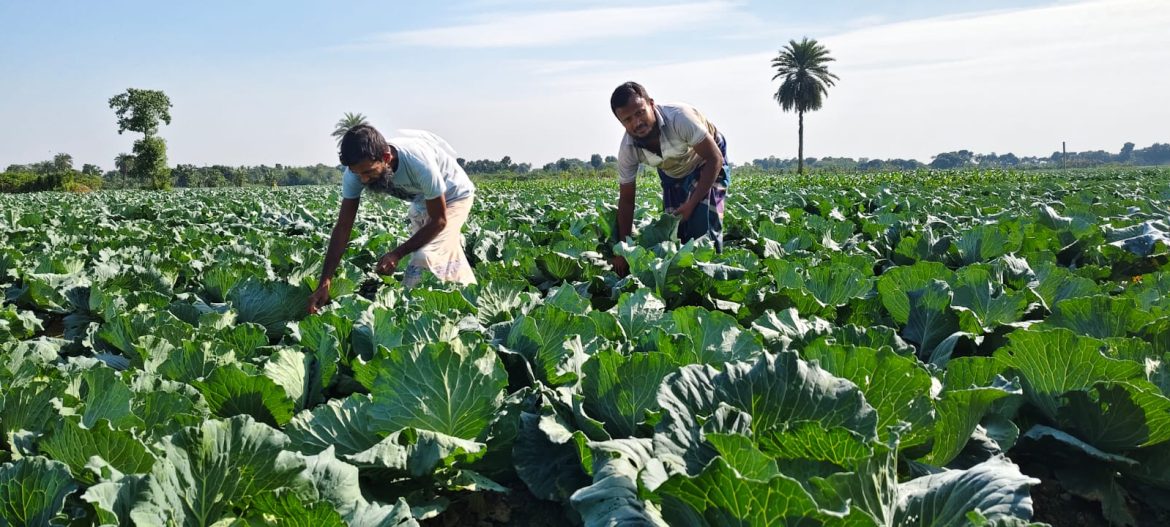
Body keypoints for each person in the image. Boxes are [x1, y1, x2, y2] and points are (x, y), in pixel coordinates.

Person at [307, 124, 476, 314]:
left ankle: (416, 312)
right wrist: (325, 282)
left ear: (386, 158)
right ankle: (465, 297)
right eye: (357, 173)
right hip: (422, 201)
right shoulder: (355, 173)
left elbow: (439, 220)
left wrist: (397, 253)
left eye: (369, 172)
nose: (363, 179)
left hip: (454, 196)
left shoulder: (418, 163)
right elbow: (343, 227)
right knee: (438, 257)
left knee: (424, 256)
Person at [609, 81, 730, 277]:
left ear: (651, 104)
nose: (636, 123)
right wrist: (623, 250)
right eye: (628, 119)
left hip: (706, 160)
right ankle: (682, 281)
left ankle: (711, 277)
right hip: (672, 172)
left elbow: (714, 158)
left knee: (703, 227)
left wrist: (692, 203)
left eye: (640, 113)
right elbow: (626, 200)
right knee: (676, 231)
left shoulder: (679, 118)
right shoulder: (628, 150)